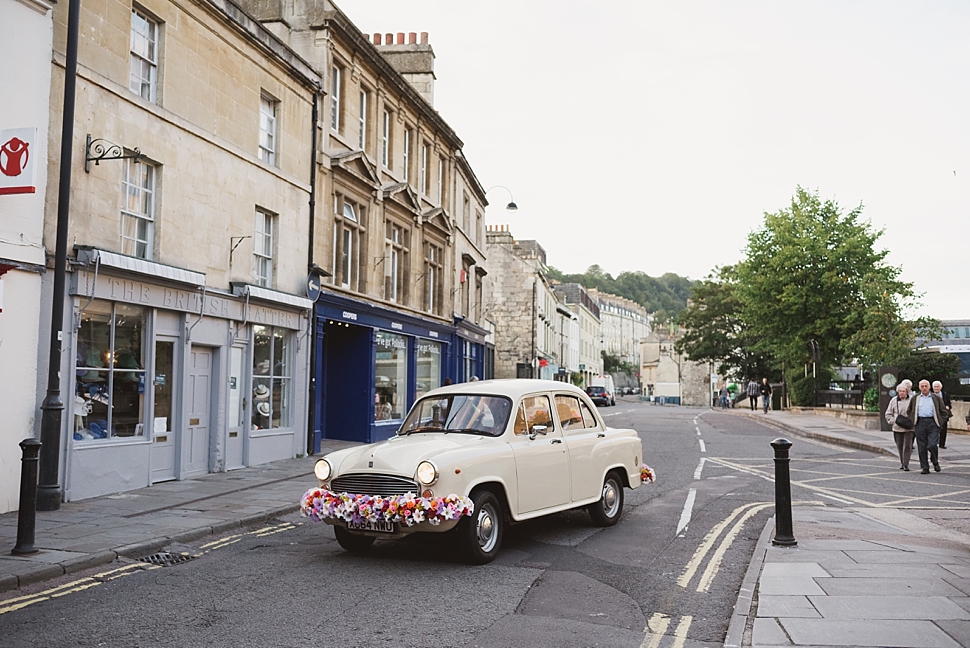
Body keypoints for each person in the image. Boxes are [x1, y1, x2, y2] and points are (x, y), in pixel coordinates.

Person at [905, 379, 947, 474]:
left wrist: (940, 422)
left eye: (926, 386)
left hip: (933, 422)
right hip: (920, 422)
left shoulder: (936, 398)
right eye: (922, 386)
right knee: (922, 446)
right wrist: (913, 420)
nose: (924, 388)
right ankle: (925, 467)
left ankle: (935, 461)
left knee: (932, 444)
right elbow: (909, 411)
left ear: (929, 387)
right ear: (919, 387)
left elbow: (944, 412)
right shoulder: (915, 398)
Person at [884, 383, 915, 471]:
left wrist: (913, 421)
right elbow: (888, 414)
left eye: (903, 391)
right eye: (900, 391)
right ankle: (902, 462)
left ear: (907, 392)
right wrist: (894, 421)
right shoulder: (893, 400)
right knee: (900, 446)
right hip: (897, 427)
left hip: (909, 427)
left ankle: (906, 464)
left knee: (907, 446)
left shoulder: (912, 399)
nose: (901, 393)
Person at [932, 381, 952, 448]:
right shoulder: (931, 395)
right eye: (935, 387)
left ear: (941, 387)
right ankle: (934, 442)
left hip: (943, 414)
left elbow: (949, 404)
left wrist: (948, 406)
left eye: (937, 387)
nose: (936, 388)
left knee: (943, 430)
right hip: (934, 414)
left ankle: (942, 444)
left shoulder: (945, 395)